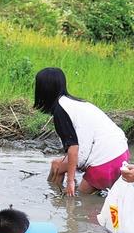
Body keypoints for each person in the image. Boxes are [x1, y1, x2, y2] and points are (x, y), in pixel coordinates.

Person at [33, 67, 129, 196]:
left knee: (79, 198)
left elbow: (73, 147)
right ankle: (54, 196)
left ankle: (61, 202)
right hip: (121, 154)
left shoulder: (61, 110)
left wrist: (70, 181)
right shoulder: (74, 103)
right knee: (56, 165)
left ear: (43, 89)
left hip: (105, 162)